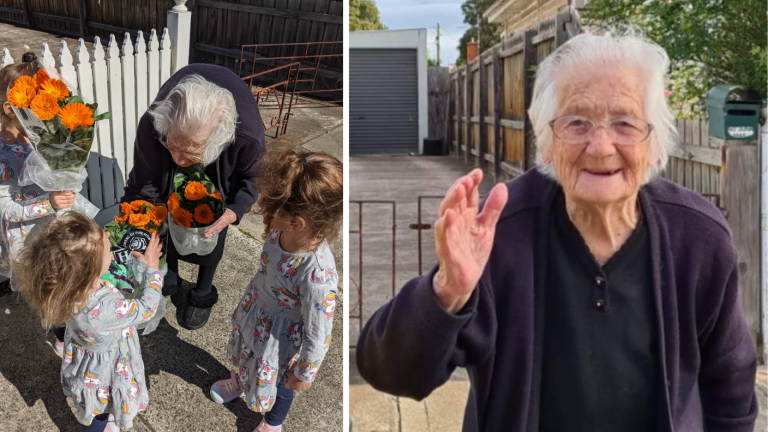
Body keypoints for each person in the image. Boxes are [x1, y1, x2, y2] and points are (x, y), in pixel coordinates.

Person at [356, 32, 758, 431]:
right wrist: (447, 291)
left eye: (624, 123)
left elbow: (731, 390)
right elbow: (391, 373)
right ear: (546, 144)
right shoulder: (499, 234)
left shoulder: (698, 238)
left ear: (654, 144)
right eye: (577, 122)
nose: (600, 146)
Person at [122, 64, 266, 330]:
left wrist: (234, 209)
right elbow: (145, 184)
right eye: (172, 146)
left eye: (189, 151)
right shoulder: (155, 124)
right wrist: (135, 227)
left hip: (218, 167)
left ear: (220, 138)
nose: (178, 159)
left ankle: (203, 291)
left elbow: (253, 177)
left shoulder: (248, 138)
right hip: (183, 135)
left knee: (211, 228)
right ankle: (171, 273)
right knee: (166, 217)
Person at [210, 150, 342, 432]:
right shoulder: (279, 232)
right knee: (244, 354)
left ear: (297, 222)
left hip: (279, 341)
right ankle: (240, 382)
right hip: (256, 312)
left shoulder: (318, 275)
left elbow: (320, 332)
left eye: (269, 204)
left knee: (281, 387)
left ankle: (273, 423)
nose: (260, 203)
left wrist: (305, 373)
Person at [15, 211, 163, 432]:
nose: (106, 234)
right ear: (94, 280)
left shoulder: (65, 291)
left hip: (86, 356)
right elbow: (148, 308)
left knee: (96, 402)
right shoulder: (105, 309)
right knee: (103, 405)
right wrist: (152, 268)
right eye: (107, 246)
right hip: (108, 365)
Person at [0, 51, 76, 355]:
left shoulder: (36, 137)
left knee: (60, 280)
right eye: (33, 108)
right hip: (28, 238)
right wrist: (49, 203)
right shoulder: (2, 155)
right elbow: (5, 208)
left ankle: (61, 325)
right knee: (48, 290)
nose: (44, 114)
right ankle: (61, 334)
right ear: (9, 108)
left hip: (51, 226)